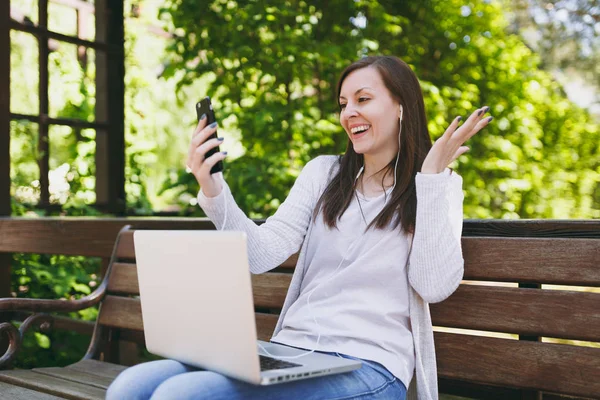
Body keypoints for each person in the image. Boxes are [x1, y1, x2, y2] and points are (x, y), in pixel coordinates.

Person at [106, 55, 492, 400]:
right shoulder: (324, 174)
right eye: (343, 104)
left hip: (370, 367)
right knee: (131, 387)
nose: (348, 113)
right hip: (292, 353)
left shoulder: (439, 185)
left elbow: (433, 285)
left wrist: (430, 179)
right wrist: (212, 187)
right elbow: (262, 253)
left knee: (182, 395)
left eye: (363, 99)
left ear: (401, 106)